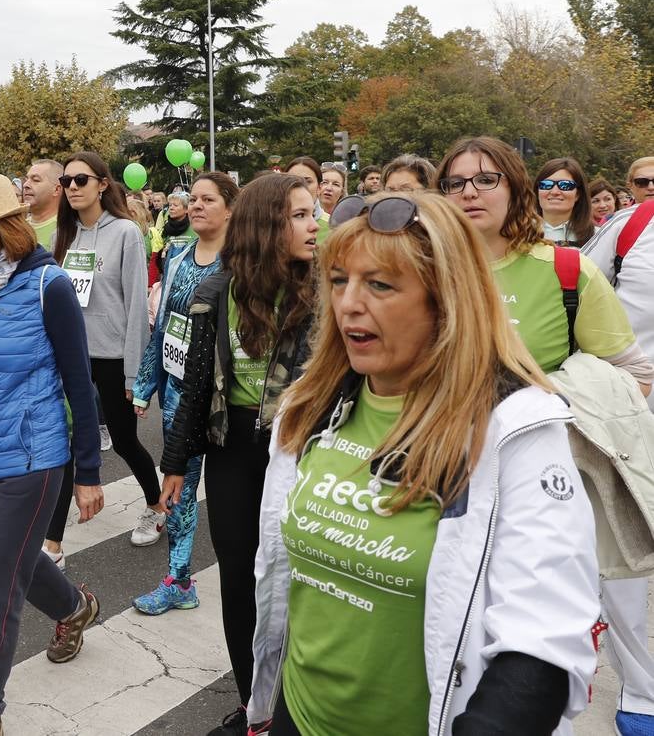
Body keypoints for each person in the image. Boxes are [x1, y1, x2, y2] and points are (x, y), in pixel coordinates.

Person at [250, 192, 600, 735]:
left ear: (446, 299)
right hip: (298, 716)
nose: (348, 304)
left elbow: (543, 644)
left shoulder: (516, 430)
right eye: (339, 280)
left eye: (380, 284)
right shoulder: (309, 405)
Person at [0, 174, 104, 736]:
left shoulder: (47, 286)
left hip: (34, 458)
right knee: (18, 563)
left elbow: (80, 384)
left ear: (5, 228)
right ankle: (76, 608)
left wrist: (88, 472)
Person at [162, 173, 318, 736]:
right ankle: (253, 703)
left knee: (297, 579)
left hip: (301, 451)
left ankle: (298, 705)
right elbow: (197, 384)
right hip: (233, 450)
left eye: (313, 213)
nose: (314, 224)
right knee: (238, 579)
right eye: (299, 216)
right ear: (266, 225)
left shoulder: (325, 288)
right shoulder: (218, 290)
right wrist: (175, 462)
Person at [437, 137, 652, 383]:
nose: (468, 192)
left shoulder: (571, 270)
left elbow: (637, 375)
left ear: (516, 189)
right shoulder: (418, 272)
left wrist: (550, 402)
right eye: (455, 183)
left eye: (486, 180)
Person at [130, 172, 237, 614]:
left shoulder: (242, 263)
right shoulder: (177, 256)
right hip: (178, 395)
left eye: (207, 199)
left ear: (230, 208)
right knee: (179, 489)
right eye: (192, 199)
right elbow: (162, 330)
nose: (195, 206)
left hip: (227, 402)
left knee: (234, 503)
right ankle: (179, 579)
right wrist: (145, 382)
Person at [50, 151, 159, 549]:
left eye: (81, 180)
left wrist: (136, 374)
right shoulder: (64, 235)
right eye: (66, 182)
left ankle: (156, 504)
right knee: (65, 442)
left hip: (113, 357)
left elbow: (135, 306)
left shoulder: (126, 233)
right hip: (73, 356)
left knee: (125, 440)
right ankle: (52, 539)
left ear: (102, 184)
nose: (73, 188)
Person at [585, 187, 654, 734]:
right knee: (625, 548)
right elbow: (578, 294)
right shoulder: (630, 227)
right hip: (633, 417)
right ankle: (639, 689)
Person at [534, 156, 594, 247]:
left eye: (565, 185)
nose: (554, 192)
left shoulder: (597, 236)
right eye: (546, 185)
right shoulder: (519, 234)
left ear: (578, 194)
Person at [23, 159, 64, 249]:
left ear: (56, 190)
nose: (25, 185)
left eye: (36, 180)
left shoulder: (66, 230)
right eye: (26, 179)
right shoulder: (18, 228)